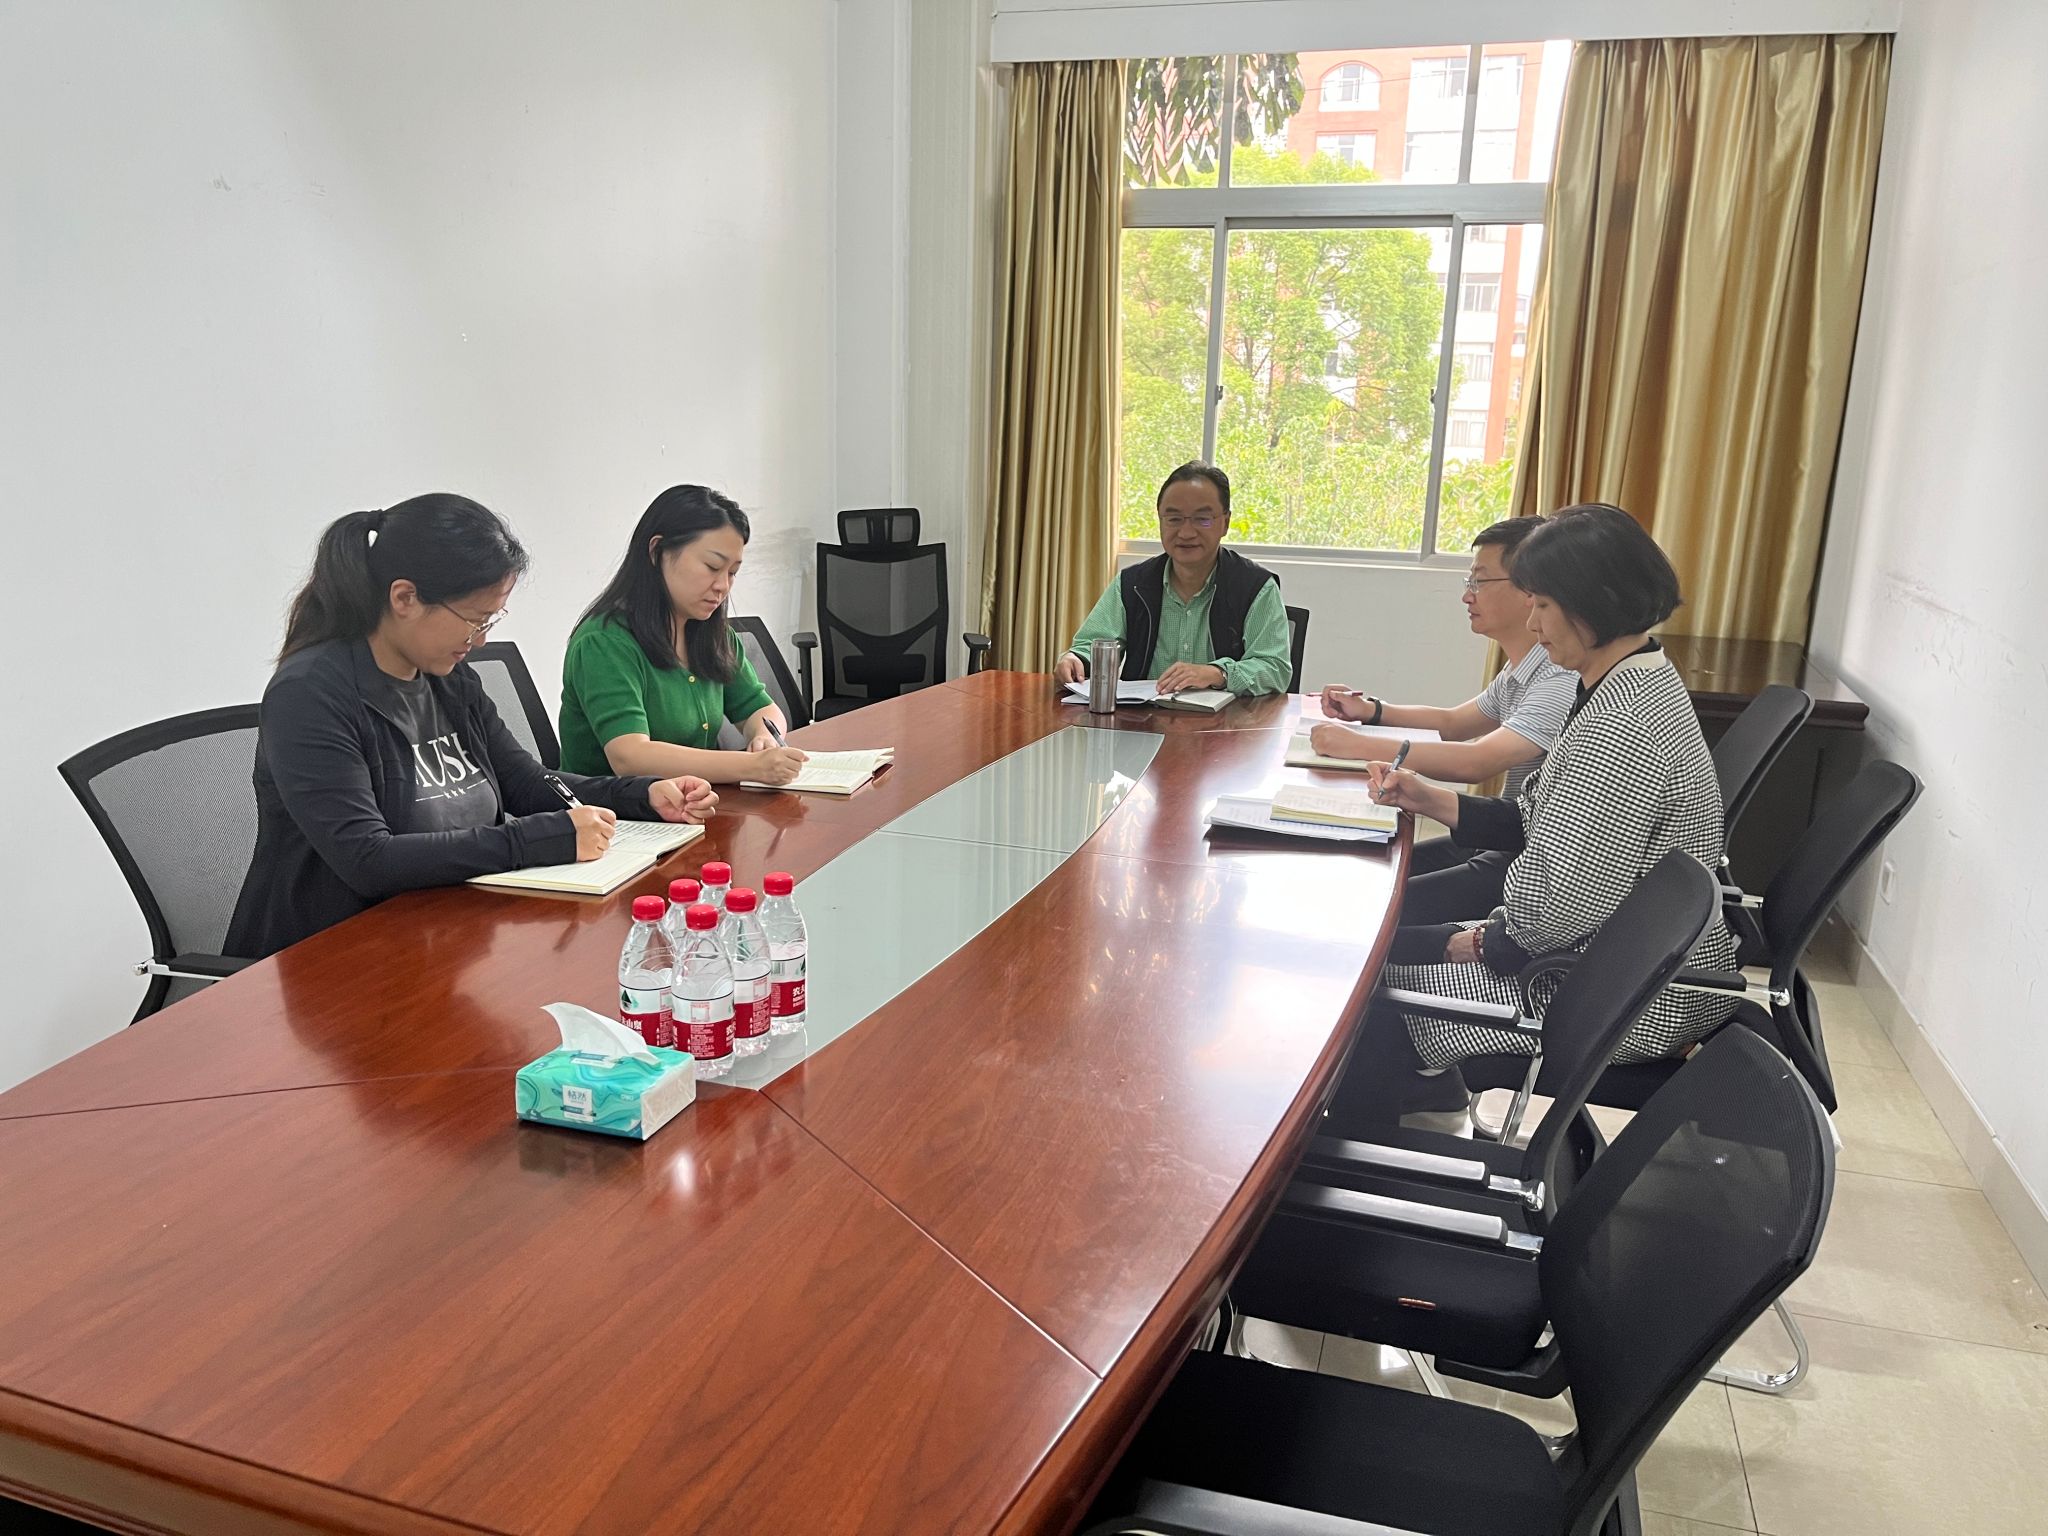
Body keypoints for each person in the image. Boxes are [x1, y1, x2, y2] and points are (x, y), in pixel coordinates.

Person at [1333, 503, 1739, 1124]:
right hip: (1595, 957)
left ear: (1594, 605)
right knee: (1368, 950)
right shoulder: (1628, 680)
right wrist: (1431, 799)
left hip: (1607, 991)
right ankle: (1412, 1110)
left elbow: (1560, 909)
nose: (1531, 620)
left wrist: (1477, 940)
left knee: (1358, 990)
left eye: (1543, 604)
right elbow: (1540, 819)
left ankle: (1363, 1161)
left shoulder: (1623, 727)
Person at [225, 494, 718, 959]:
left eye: (491, 620)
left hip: (442, 934)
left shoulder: (449, 679)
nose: (480, 640)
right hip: (331, 957)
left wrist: (642, 795)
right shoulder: (310, 694)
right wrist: (539, 839)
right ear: (405, 598)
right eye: (475, 619)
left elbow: (525, 783)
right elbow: (367, 860)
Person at [1311, 517, 1577, 922]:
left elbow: (1477, 761)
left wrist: (1356, 744)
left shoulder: (1559, 677)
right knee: (1364, 874)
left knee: (1372, 911)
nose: (1467, 596)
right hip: (1495, 836)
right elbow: (1453, 723)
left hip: (1525, 858)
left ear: (1529, 589)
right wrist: (1372, 711)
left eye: (1479, 582)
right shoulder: (1526, 665)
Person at [559, 485, 807, 785]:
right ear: (657, 552)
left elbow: (761, 708)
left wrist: (764, 737)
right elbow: (630, 757)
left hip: (694, 803)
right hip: (615, 811)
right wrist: (752, 766)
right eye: (712, 567)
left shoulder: (711, 634)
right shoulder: (604, 642)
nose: (723, 586)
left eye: (732, 572)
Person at [1055, 461, 1291, 697]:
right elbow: (1092, 645)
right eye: (1174, 519)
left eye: (1203, 519)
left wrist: (1218, 673)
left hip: (1227, 719)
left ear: (1225, 523)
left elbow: (1275, 668)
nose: (1186, 533)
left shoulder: (1255, 587)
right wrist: (1075, 659)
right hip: (1143, 716)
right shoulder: (1132, 584)